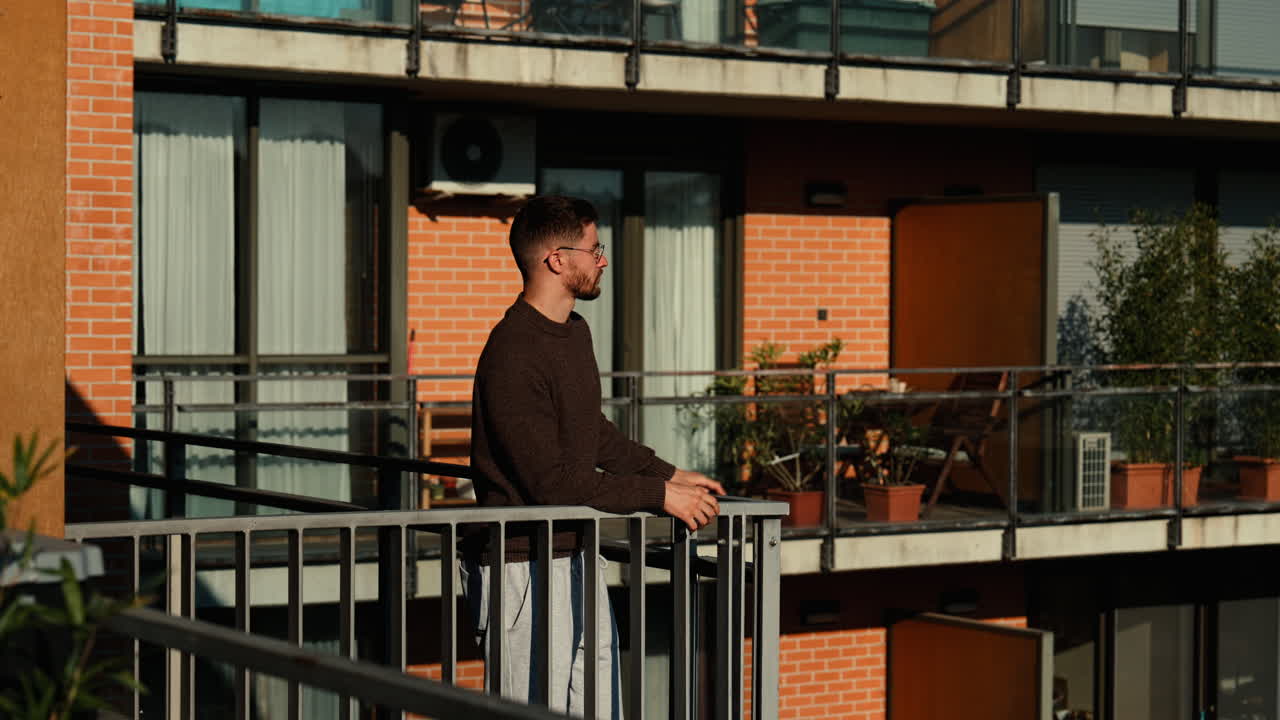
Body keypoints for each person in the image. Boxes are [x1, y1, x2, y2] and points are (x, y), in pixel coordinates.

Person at [461, 195, 724, 718]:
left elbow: (592, 434)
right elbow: (553, 483)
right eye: (594, 248)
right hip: (522, 570)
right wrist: (659, 496)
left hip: (577, 553)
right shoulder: (512, 352)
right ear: (557, 259)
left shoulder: (574, 333)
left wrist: (670, 472)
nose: (602, 259)